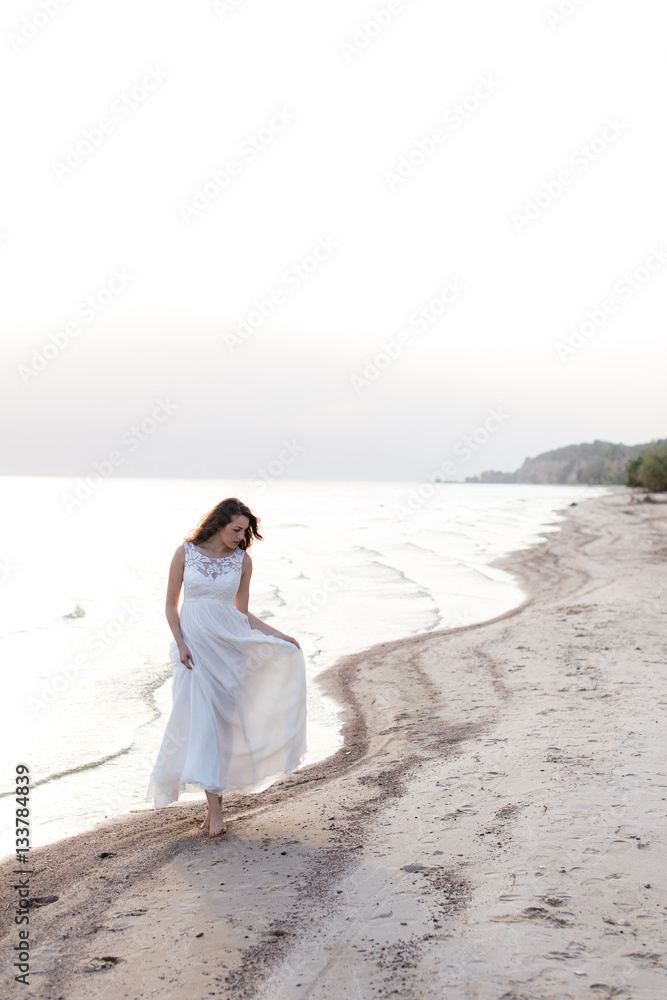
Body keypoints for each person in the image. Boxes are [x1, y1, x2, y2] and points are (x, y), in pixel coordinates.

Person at [145, 497, 307, 837]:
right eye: (236, 529)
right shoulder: (185, 553)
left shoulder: (242, 561)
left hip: (228, 649)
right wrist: (181, 643)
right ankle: (215, 812)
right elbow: (171, 606)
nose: (240, 536)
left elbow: (242, 613)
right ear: (219, 523)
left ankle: (213, 809)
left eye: (245, 531)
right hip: (195, 653)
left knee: (223, 728)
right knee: (202, 724)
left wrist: (279, 636)